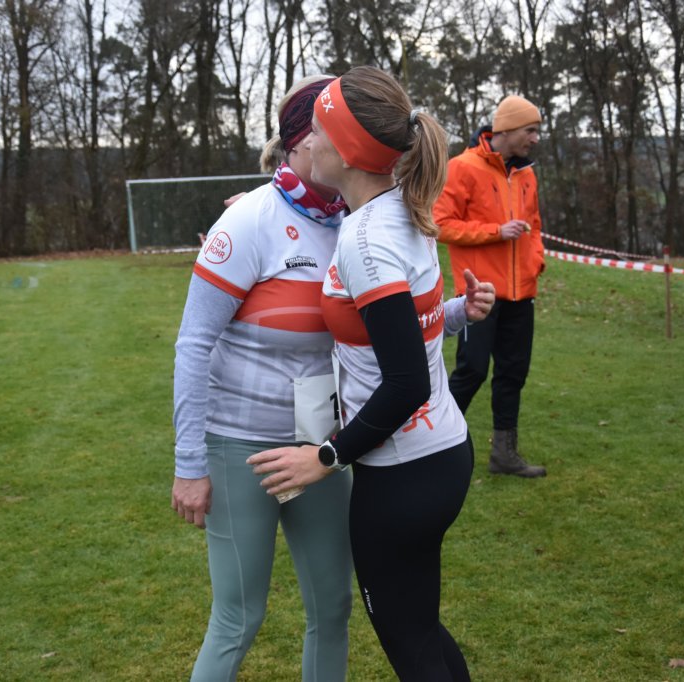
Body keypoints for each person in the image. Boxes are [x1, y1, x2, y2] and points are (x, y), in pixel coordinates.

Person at [246, 66, 488, 681]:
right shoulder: (401, 207)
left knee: (412, 647)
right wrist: (257, 215)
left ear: (348, 152)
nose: (307, 142)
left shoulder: (366, 241)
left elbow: (405, 383)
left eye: (317, 131)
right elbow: (410, 328)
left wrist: (324, 458)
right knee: (422, 631)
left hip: (402, 476)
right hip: (440, 456)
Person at [170, 75, 355, 682]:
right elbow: (193, 344)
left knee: (333, 608)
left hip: (319, 446)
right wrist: (189, 464)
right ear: (302, 142)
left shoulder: (354, 218)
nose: (352, 147)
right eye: (338, 133)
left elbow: (386, 320)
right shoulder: (248, 220)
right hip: (240, 446)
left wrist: (455, 314)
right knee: (238, 618)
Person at [432, 95, 548, 478]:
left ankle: (504, 456)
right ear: (507, 129)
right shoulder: (461, 167)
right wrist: (495, 231)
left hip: (522, 295)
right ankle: (432, 446)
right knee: (472, 371)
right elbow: (440, 224)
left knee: (513, 374)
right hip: (479, 295)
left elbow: (534, 226)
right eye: (530, 130)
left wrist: (536, 261)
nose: (535, 138)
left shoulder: (527, 173)